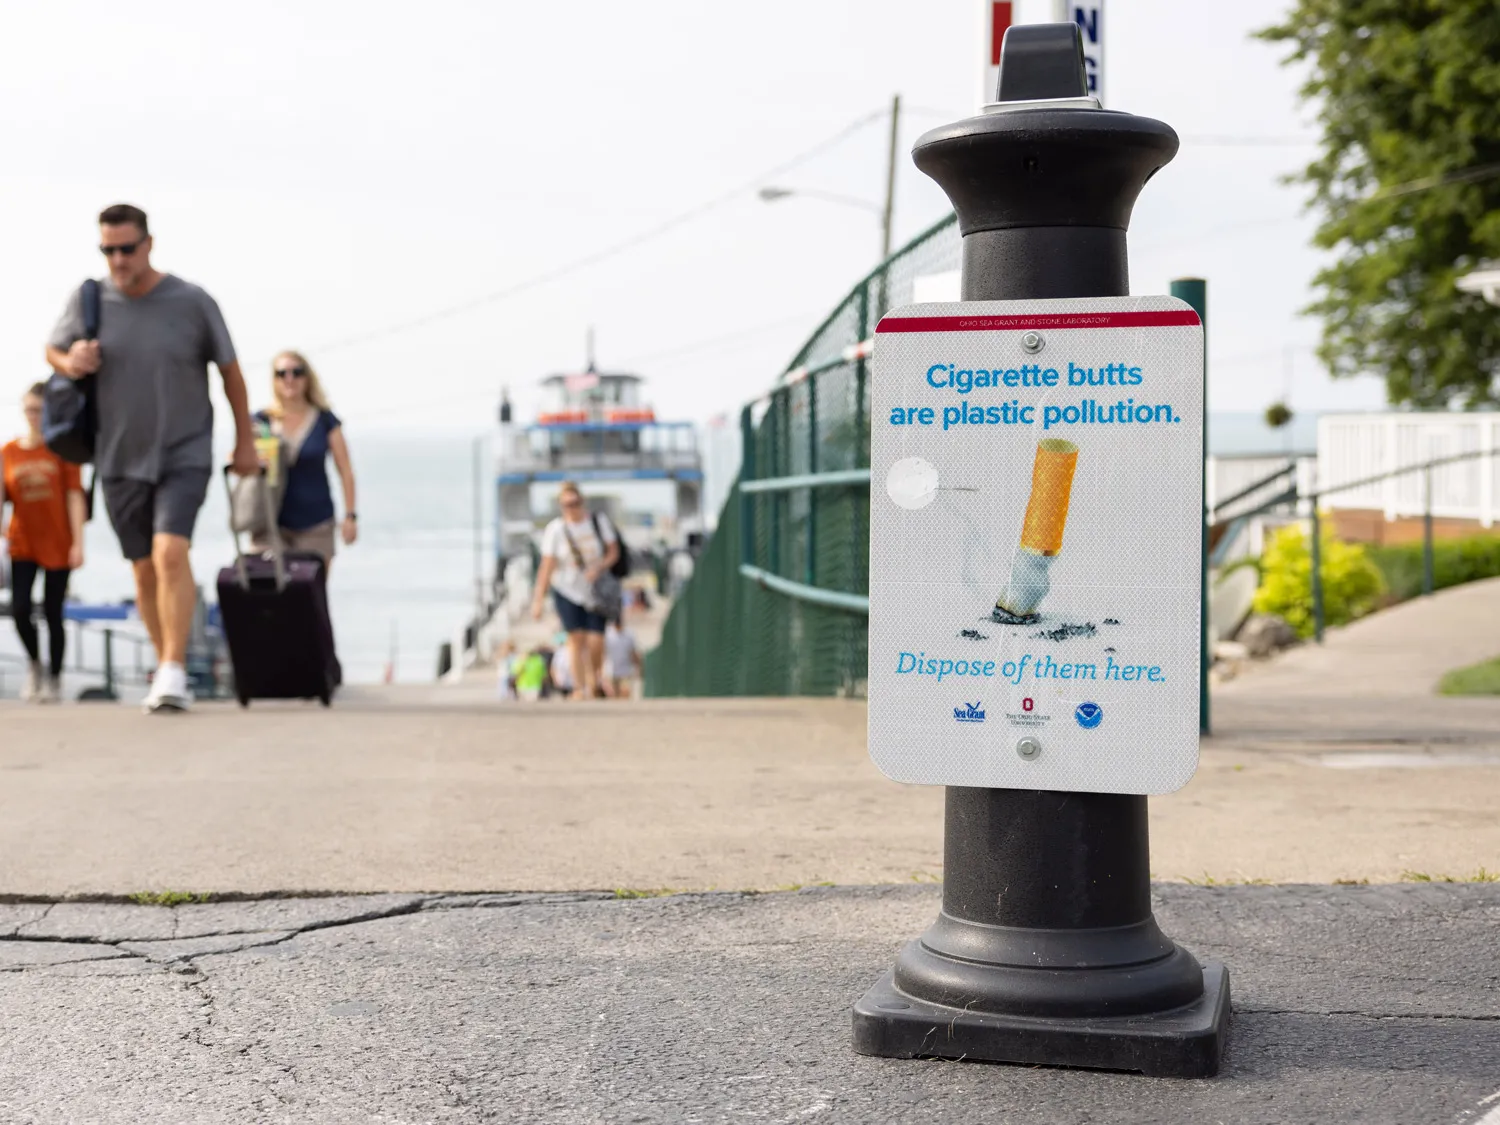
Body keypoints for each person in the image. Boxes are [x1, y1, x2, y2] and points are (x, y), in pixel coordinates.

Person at [45, 204, 258, 713]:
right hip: (117, 456)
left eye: (126, 248)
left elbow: (230, 372)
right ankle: (166, 659)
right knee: (142, 569)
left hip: (184, 450)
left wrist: (245, 440)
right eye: (108, 250)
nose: (117, 259)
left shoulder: (191, 301)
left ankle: (173, 669)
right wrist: (69, 360)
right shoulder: (89, 298)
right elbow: (52, 351)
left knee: (169, 553)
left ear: (149, 244)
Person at [0, 384, 86, 702]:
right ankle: (34, 664)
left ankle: (55, 677)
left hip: (59, 541)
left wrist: (79, 542)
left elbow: (75, 496)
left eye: (38, 410)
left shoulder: (63, 448)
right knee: (20, 607)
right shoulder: (8, 452)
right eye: (29, 409)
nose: (33, 416)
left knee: (53, 611)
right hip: (22, 540)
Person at [252, 351, 357, 570]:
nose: (289, 379)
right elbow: (238, 461)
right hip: (270, 525)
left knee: (309, 597)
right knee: (267, 597)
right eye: (282, 374)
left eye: (296, 373)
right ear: (274, 380)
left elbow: (345, 470)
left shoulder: (325, 420)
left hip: (316, 524)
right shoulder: (261, 422)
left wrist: (350, 516)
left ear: (307, 378)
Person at [530, 482, 620, 701]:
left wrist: (599, 567)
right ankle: (580, 688)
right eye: (566, 505)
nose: (572, 508)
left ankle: (595, 678)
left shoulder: (598, 522)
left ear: (582, 502)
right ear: (561, 506)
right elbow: (547, 565)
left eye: (575, 503)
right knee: (575, 639)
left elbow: (613, 552)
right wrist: (538, 599)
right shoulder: (555, 530)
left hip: (596, 590)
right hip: (566, 589)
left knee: (596, 640)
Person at [602, 617, 642, 700]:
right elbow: (602, 654)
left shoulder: (629, 634)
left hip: (625, 671)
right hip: (610, 671)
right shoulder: (607, 634)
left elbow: (633, 653)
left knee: (625, 695)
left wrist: (638, 667)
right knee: (612, 696)